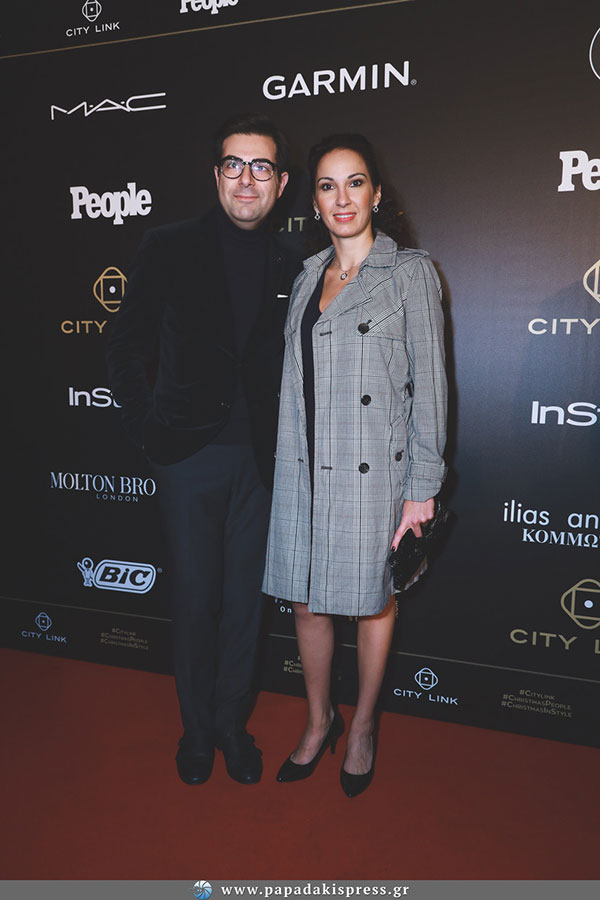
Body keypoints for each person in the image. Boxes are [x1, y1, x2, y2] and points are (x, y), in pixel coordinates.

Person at [107, 113, 300, 786]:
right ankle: (195, 732)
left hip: (265, 466)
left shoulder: (294, 261)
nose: (247, 179)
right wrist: (149, 432)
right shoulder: (169, 246)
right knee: (195, 602)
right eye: (234, 165)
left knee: (247, 605)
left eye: (261, 167)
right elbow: (125, 345)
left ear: (280, 184)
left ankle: (230, 727)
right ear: (216, 175)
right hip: (189, 458)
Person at [263, 133, 447, 797]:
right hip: (304, 466)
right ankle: (320, 720)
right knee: (306, 602)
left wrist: (422, 488)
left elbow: (432, 385)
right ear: (314, 201)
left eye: (355, 182)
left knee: (372, 605)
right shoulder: (307, 276)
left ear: (376, 193)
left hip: (374, 470)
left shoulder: (410, 272)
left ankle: (363, 724)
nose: (342, 197)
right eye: (327, 185)